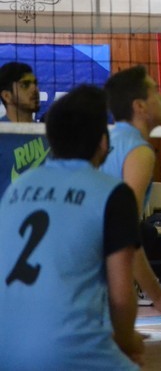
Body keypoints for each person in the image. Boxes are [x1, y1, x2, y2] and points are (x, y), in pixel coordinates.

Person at [0, 85, 144, 369]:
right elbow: (121, 297)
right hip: (66, 351)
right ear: (103, 142)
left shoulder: (17, 188)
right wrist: (128, 341)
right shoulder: (112, 192)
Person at [100, 65, 161, 319]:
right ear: (139, 106)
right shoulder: (139, 152)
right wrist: (158, 296)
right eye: (155, 91)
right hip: (98, 261)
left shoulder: (106, 140)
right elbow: (125, 230)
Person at [0, 61, 47, 199]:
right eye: (25, 85)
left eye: (35, 83)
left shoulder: (48, 134)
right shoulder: (2, 135)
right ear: (7, 96)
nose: (35, 89)